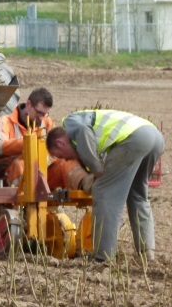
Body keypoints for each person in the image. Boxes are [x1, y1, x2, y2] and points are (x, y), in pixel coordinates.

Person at [46, 110, 164, 263]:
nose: (67, 159)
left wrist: (96, 169)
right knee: (138, 196)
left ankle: (103, 258)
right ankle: (147, 253)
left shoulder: (70, 122)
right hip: (153, 137)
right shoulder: (92, 120)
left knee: (104, 193)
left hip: (133, 139)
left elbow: (82, 131)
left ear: (60, 143)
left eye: (61, 155)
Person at [0, 87, 55, 186]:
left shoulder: (46, 122)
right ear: (28, 104)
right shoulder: (5, 121)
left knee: (65, 165)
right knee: (20, 166)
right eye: (39, 113)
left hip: (42, 169)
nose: (41, 118)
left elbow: (57, 146)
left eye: (44, 114)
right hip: (10, 171)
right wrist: (25, 144)